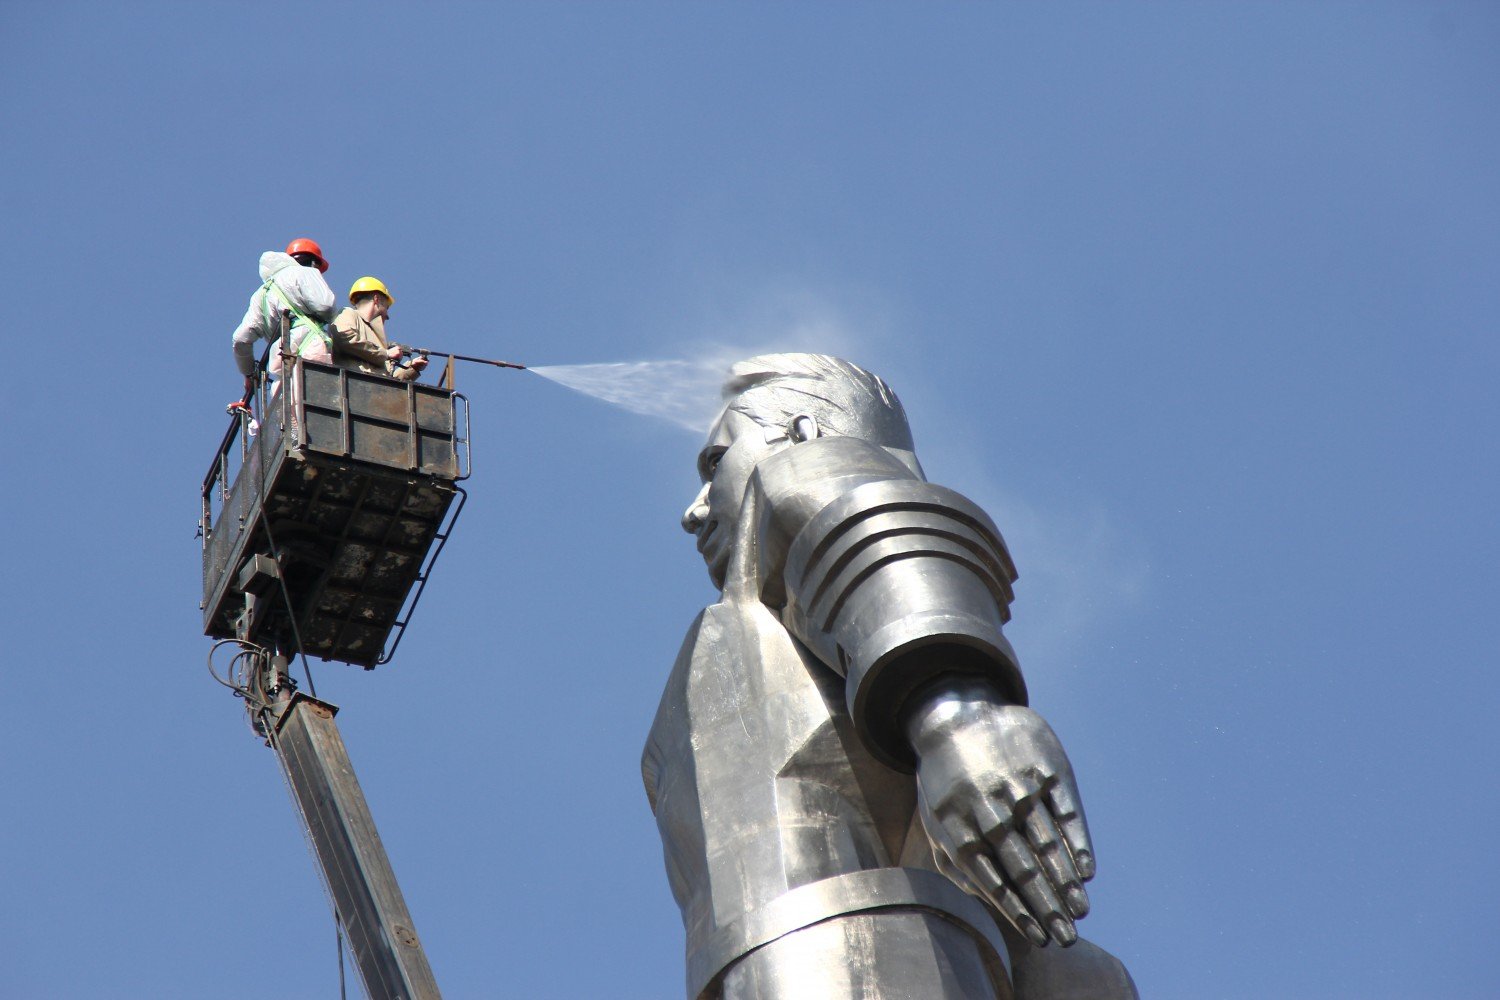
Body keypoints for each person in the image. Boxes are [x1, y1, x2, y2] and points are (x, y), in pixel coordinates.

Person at [643, 354, 1137, 999]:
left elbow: (847, 509)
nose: (695, 510)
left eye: (717, 463)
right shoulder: (741, 626)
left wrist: (956, 714)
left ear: (801, 432)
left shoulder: (796, 475)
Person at [231, 238, 337, 393]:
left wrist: (248, 374)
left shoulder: (261, 295)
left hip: (279, 356)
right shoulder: (305, 273)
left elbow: (240, 339)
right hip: (310, 345)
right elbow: (326, 306)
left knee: (288, 406)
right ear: (314, 262)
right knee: (320, 399)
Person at [329, 276, 427, 382]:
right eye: (386, 307)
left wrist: (413, 368)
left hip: (371, 393)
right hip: (353, 387)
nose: (388, 316)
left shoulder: (375, 338)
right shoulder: (348, 313)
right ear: (377, 299)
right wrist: (386, 354)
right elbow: (344, 337)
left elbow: (388, 381)